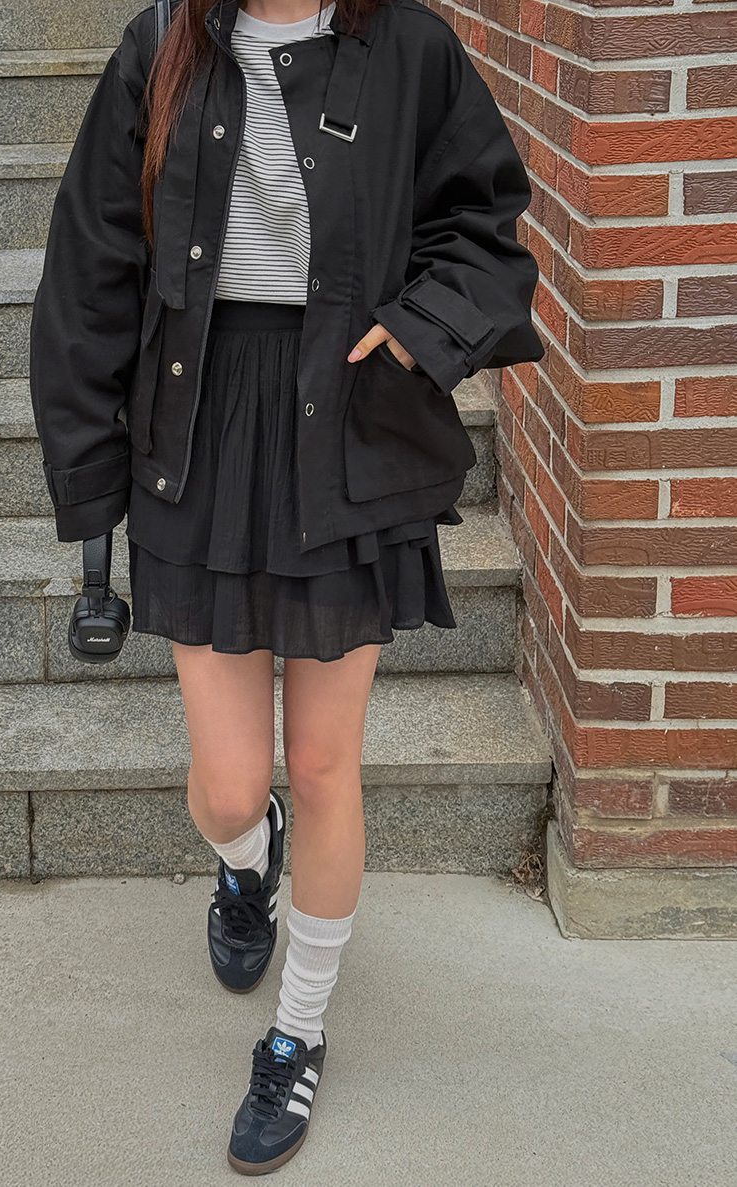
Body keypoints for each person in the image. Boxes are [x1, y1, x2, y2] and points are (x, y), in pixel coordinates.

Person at [29, 0, 543, 1172]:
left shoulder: (411, 45)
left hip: (346, 422)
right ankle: (247, 855)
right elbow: (92, 265)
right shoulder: (162, 43)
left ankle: (298, 1031)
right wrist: (91, 479)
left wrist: (421, 327)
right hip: (198, 430)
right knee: (227, 783)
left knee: (320, 763)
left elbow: (484, 219)